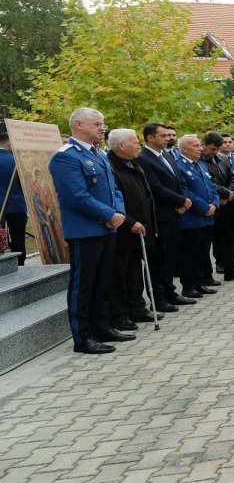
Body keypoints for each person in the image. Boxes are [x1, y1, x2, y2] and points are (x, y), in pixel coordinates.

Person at [49, 107, 131, 354]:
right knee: (83, 285)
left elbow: (114, 189)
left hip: (108, 228)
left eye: (102, 123)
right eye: (96, 124)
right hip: (85, 231)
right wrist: (109, 215)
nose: (102, 128)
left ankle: (102, 327)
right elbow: (77, 196)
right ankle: (82, 337)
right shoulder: (65, 157)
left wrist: (119, 214)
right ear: (79, 125)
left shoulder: (98, 154)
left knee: (103, 281)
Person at [106, 129, 160, 329]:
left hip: (141, 228)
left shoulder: (134, 165)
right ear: (121, 146)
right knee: (120, 274)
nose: (139, 145)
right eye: (135, 142)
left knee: (135, 272)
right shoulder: (111, 167)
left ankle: (138, 308)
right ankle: (121, 314)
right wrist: (130, 222)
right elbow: (113, 200)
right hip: (123, 230)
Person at [136, 123, 192, 310]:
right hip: (160, 216)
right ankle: (158, 298)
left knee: (171, 257)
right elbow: (155, 187)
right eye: (163, 135)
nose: (168, 138)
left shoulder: (167, 155)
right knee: (159, 258)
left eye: (169, 135)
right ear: (150, 138)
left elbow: (180, 181)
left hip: (176, 213)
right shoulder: (143, 158)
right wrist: (181, 201)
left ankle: (170, 292)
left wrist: (183, 201)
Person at [176, 135, 219, 300]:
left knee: (203, 251)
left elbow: (211, 188)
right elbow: (186, 192)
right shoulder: (179, 166)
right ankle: (188, 286)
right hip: (192, 217)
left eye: (200, 145)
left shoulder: (201, 166)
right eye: (195, 146)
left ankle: (200, 282)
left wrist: (214, 204)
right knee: (190, 253)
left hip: (208, 217)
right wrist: (204, 208)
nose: (200, 148)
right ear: (184, 149)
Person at [201, 132, 234, 282]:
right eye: (212, 149)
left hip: (227, 205)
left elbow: (233, 177)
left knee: (228, 239)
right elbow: (208, 183)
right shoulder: (199, 161)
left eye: (216, 149)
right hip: (211, 205)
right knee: (208, 242)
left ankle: (231, 271)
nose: (214, 152)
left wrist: (230, 192)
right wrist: (225, 193)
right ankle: (207, 275)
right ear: (204, 145)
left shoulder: (223, 158)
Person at [0, 130, 28, 265]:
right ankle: (20, 264)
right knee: (18, 238)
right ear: (9, 143)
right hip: (16, 205)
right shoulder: (15, 160)